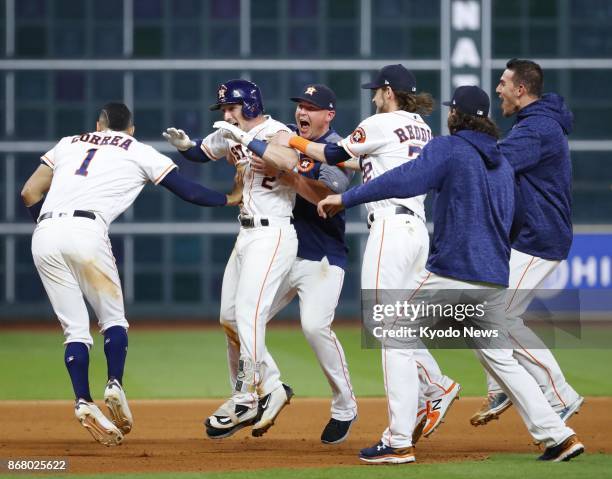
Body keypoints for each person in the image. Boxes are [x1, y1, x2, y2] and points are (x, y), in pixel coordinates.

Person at [317, 85, 585, 464]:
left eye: (450, 110)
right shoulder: (502, 162)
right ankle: (558, 437)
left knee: (393, 329)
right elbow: (518, 217)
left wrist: (346, 197)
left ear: (456, 115)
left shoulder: (449, 148)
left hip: (455, 269)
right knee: (501, 358)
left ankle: (397, 441)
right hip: (493, 274)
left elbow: (404, 179)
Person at [247, 65, 460, 442]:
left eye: (377, 89)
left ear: (389, 92)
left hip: (391, 228)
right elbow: (358, 161)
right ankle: (435, 386)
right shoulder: (422, 128)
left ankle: (412, 416)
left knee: (384, 323)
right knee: (397, 322)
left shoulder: (380, 123)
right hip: (416, 228)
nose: (374, 95)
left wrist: (288, 143)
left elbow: (330, 151)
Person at [21, 102, 235, 446]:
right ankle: (114, 383)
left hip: (44, 233)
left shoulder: (68, 143)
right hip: (87, 230)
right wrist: (229, 199)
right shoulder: (138, 149)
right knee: (113, 321)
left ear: (98, 125)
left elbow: (29, 192)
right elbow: (189, 191)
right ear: (130, 129)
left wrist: (51, 231)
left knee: (74, 330)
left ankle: (82, 401)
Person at [216, 84, 358, 444]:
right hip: (281, 252)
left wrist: (288, 175)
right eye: (299, 105)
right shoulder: (284, 140)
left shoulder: (336, 148)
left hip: (322, 256)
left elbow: (332, 198)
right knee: (238, 320)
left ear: (329, 115)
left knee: (313, 326)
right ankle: (258, 393)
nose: (302, 112)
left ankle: (345, 406)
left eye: (311, 107)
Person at [163, 79, 299, 439]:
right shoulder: (228, 130)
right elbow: (200, 152)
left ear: (251, 106)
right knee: (229, 318)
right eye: (223, 109)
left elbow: (289, 160)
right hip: (247, 234)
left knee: (248, 314)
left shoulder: (277, 131)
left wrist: (244, 139)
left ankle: (246, 397)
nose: (226, 114)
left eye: (232, 108)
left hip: (274, 232)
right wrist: (184, 147)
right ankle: (271, 387)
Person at [470, 59, 584, 427]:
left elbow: (494, 163)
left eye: (503, 83)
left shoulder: (537, 128)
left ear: (521, 89)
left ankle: (558, 394)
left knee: (496, 316)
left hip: (540, 237)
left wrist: (457, 151)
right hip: (529, 236)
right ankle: (503, 383)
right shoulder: (532, 125)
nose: (498, 89)